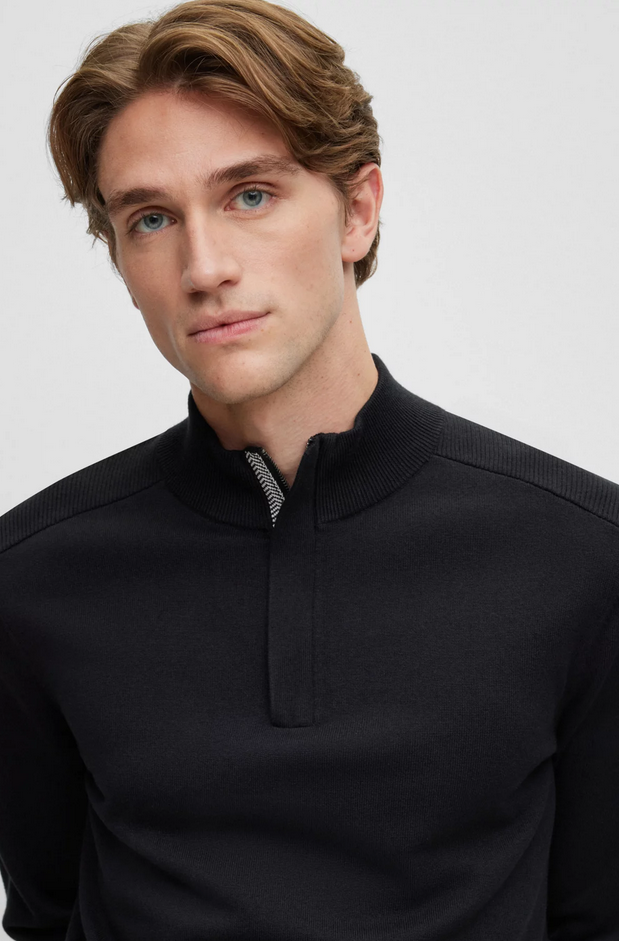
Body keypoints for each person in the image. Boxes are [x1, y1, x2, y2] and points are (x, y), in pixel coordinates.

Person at [0, 0, 617, 938]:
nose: (204, 266)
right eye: (151, 218)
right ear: (121, 260)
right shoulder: (31, 579)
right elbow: (48, 915)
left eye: (250, 195)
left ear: (357, 212)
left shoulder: (582, 555)